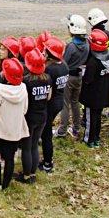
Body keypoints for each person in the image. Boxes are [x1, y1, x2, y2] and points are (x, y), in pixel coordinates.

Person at [0, 57, 28, 191]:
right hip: (14, 131)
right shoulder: (23, 89)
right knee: (9, 159)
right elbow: (25, 110)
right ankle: (5, 186)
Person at [19, 49, 51, 184]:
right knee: (34, 146)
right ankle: (32, 172)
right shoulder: (48, 78)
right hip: (42, 116)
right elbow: (49, 97)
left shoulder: (26, 81)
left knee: (26, 146)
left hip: (29, 117)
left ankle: (26, 176)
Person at [56, 15, 89, 139]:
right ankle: (76, 128)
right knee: (75, 102)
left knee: (65, 104)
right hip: (79, 76)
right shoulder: (86, 44)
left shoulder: (71, 46)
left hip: (69, 76)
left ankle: (62, 129)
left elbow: (64, 61)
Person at [81, 30, 109, 147]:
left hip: (92, 96)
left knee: (90, 118)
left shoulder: (93, 62)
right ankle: (96, 138)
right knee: (98, 117)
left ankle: (88, 139)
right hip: (104, 93)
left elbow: (88, 79)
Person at [41, 36, 68, 173]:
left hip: (50, 104)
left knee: (46, 135)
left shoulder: (50, 70)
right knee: (45, 130)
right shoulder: (64, 66)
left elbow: (48, 92)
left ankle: (47, 163)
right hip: (59, 101)